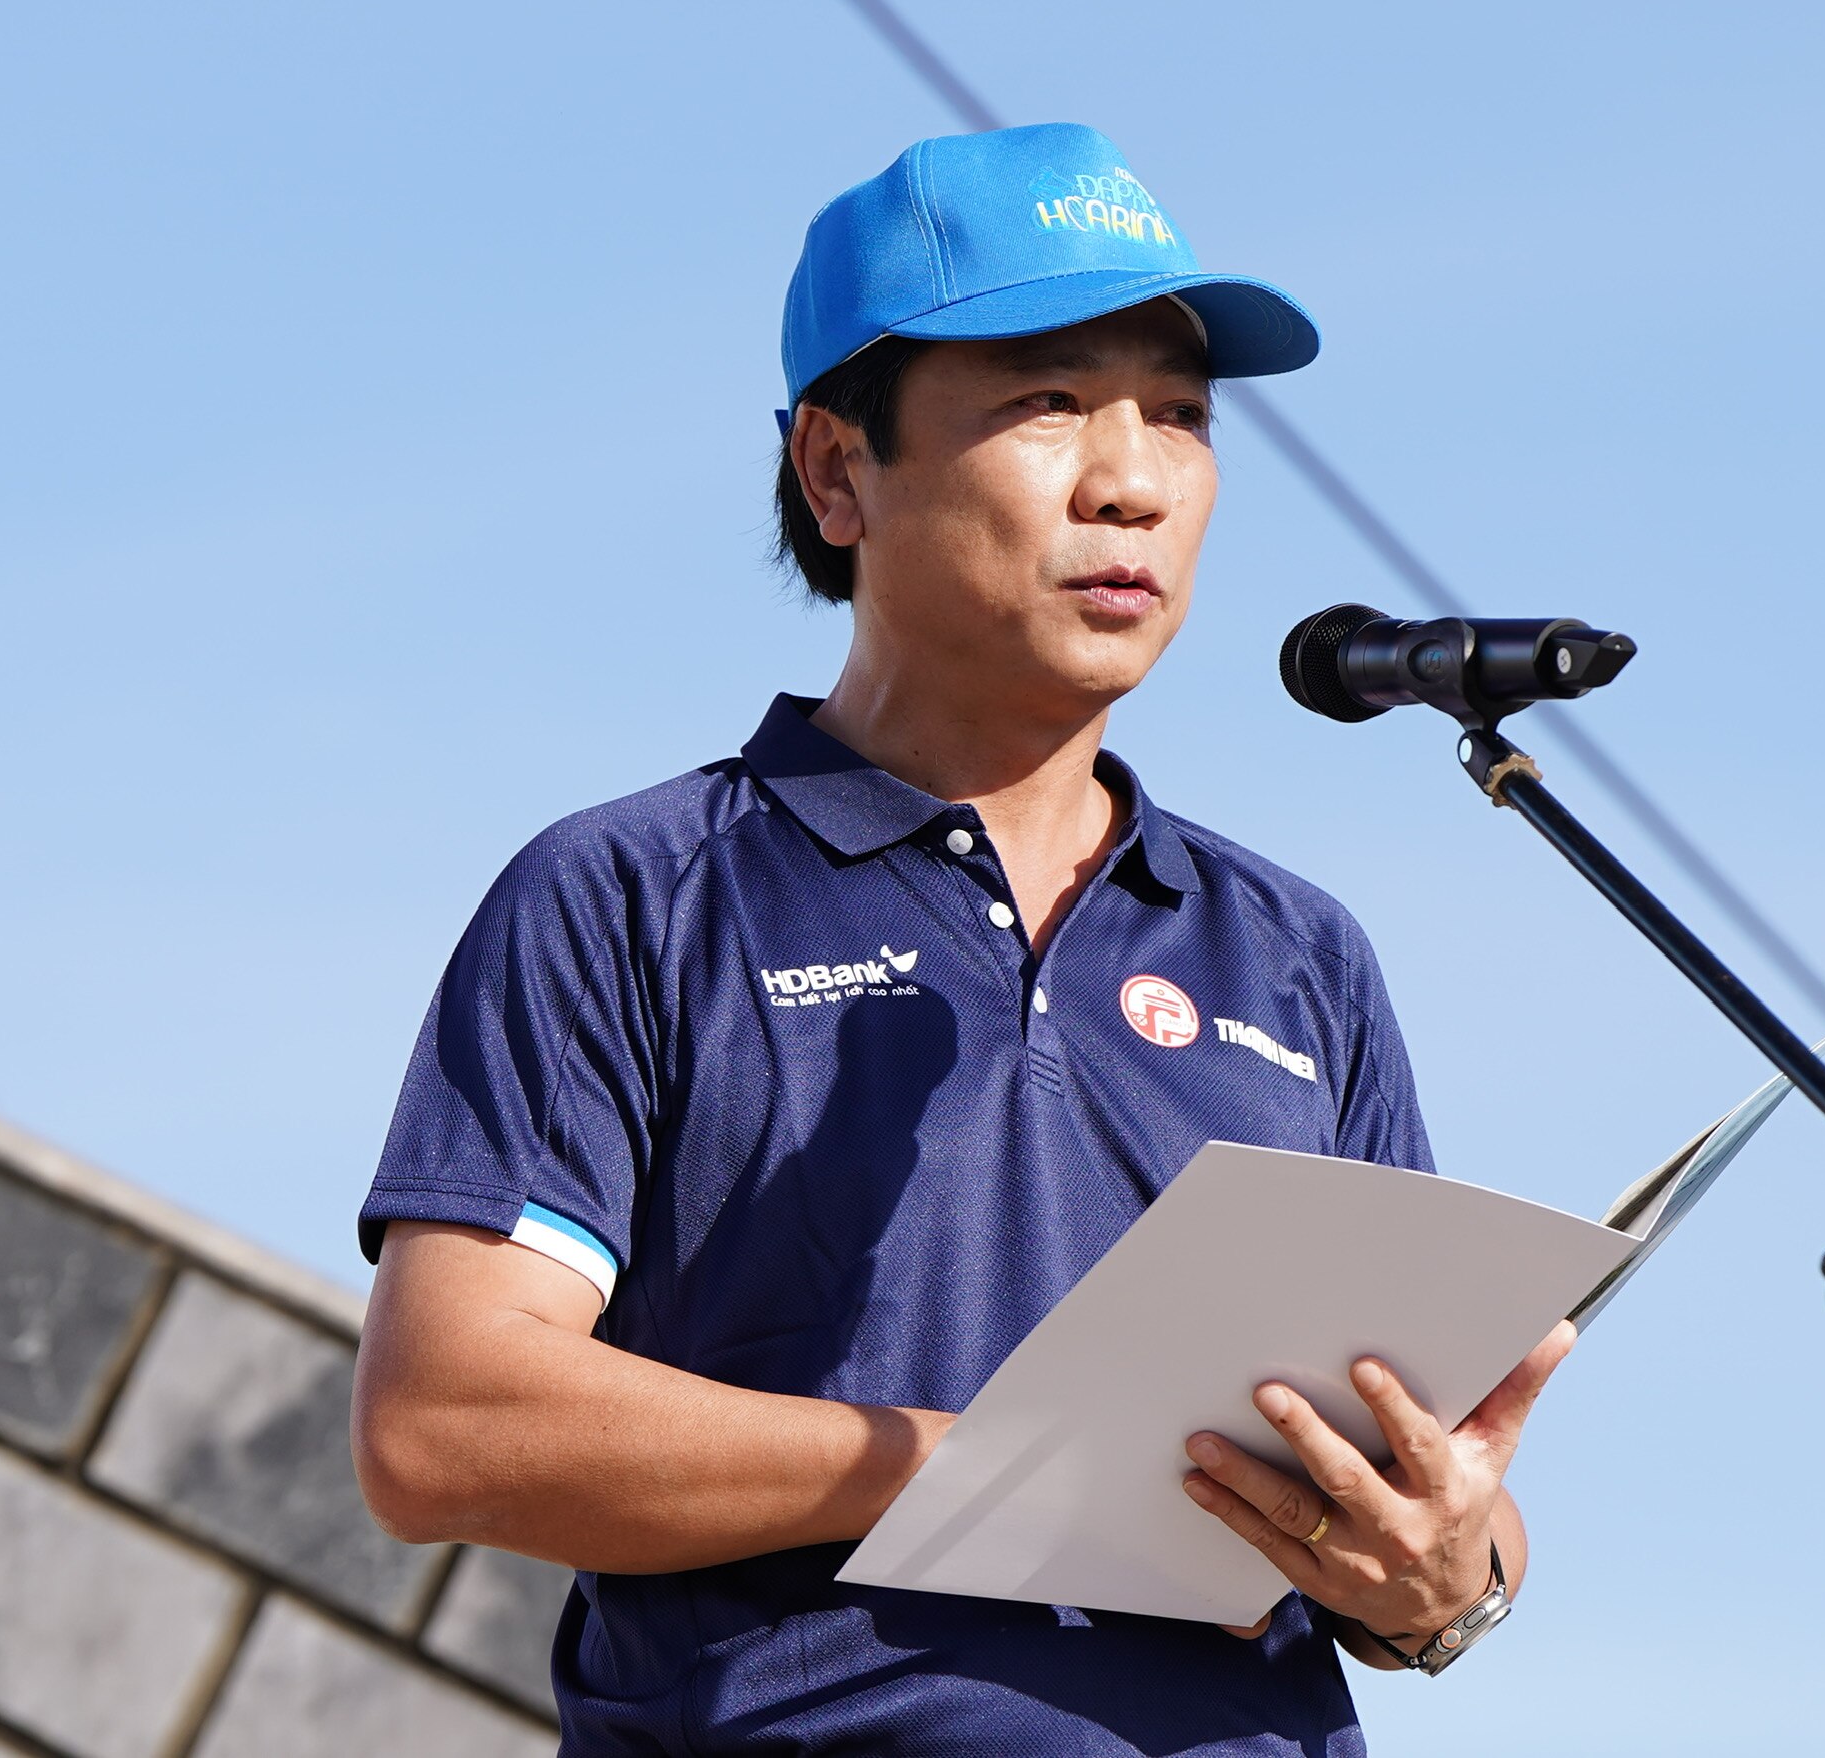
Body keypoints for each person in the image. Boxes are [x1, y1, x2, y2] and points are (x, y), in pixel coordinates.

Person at [350, 122, 1572, 1755]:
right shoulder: (629, 894)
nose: (1134, 476)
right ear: (837, 469)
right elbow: (446, 1424)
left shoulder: (1297, 952)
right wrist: (988, 1469)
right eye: (1050, 401)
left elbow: (1423, 1489)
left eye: (1183, 417)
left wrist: (1451, 1572)